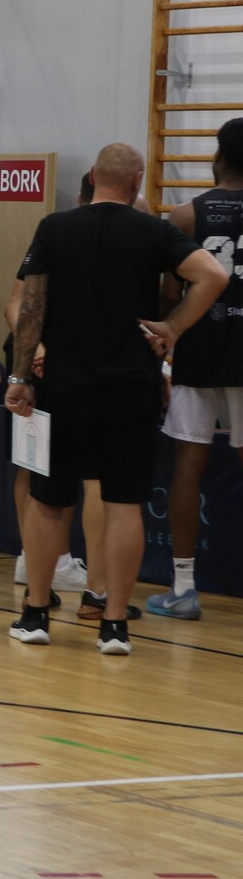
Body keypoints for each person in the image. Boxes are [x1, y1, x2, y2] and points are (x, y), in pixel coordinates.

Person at [7, 143, 224, 655]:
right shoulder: (154, 231)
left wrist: (22, 374)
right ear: (137, 181)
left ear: (91, 177)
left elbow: (31, 306)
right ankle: (114, 626)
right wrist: (173, 328)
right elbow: (213, 276)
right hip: (131, 386)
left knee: (50, 501)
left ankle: (35, 614)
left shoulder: (55, 228)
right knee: (123, 504)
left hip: (66, 385)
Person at [151, 120, 243, 620]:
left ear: (218, 157)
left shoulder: (186, 215)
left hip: (199, 349)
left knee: (189, 464)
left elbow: (169, 295)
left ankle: (184, 587)